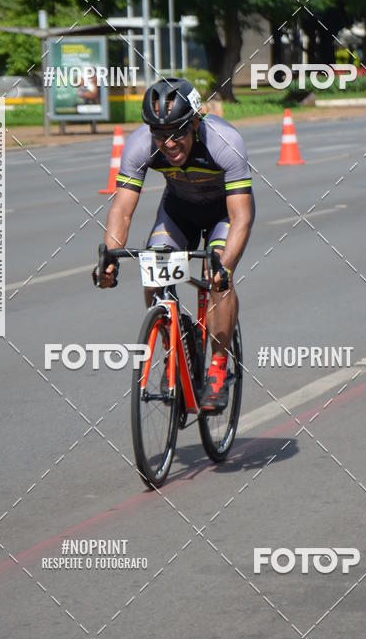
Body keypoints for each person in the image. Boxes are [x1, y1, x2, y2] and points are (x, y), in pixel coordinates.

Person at [97, 76, 254, 411]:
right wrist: (110, 255)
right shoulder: (140, 145)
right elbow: (122, 210)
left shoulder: (224, 142)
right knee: (153, 271)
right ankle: (174, 344)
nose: (168, 143)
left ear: (195, 123)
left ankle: (217, 367)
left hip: (221, 215)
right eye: (159, 133)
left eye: (177, 132)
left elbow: (241, 216)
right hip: (178, 211)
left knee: (217, 279)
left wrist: (225, 266)